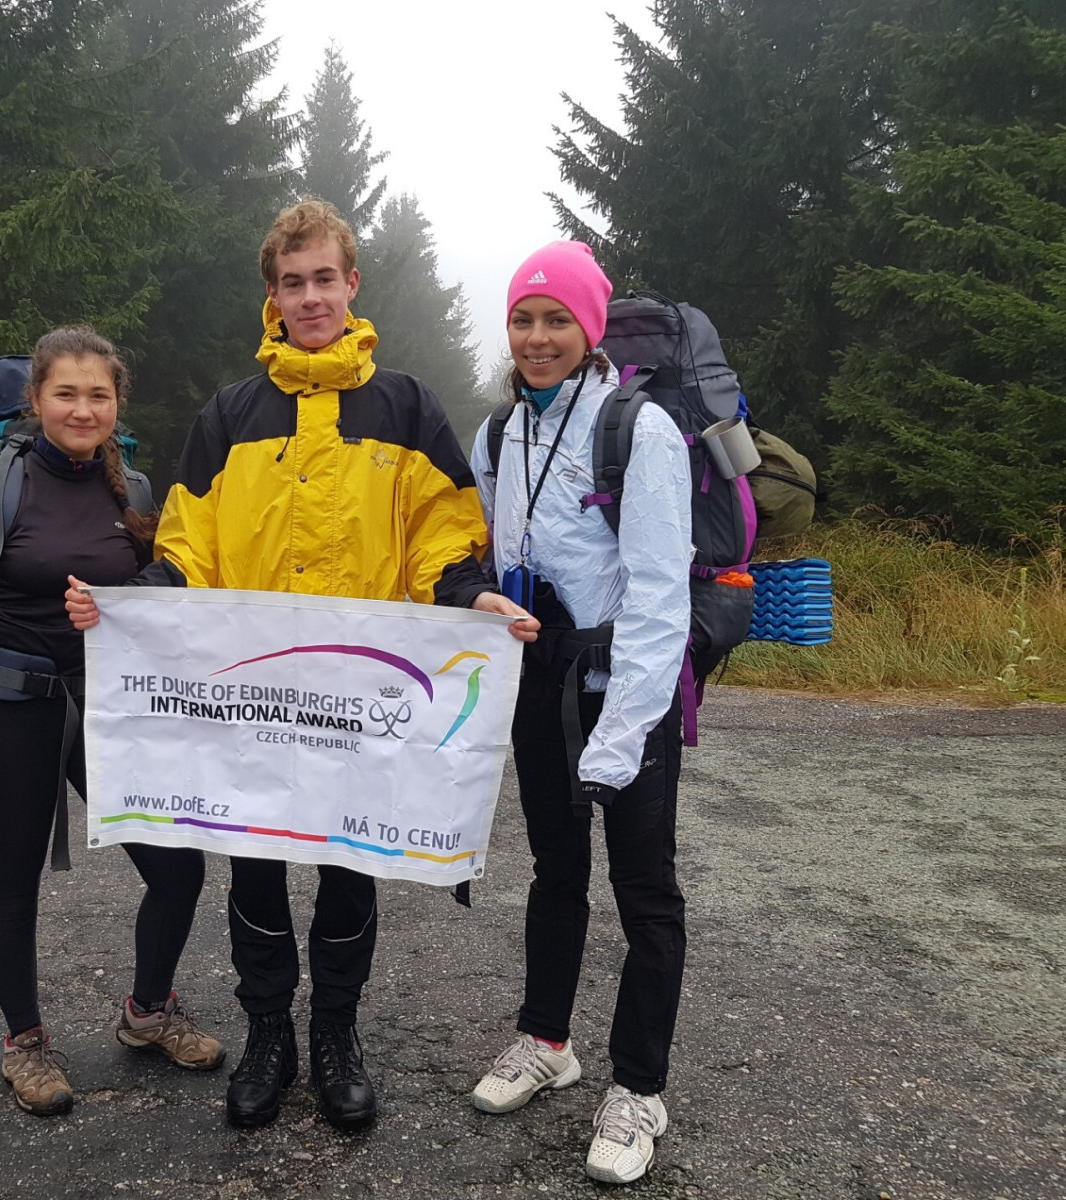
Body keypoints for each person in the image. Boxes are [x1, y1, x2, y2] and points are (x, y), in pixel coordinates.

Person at [66, 198, 538, 1133]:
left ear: (352, 283)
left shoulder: (406, 406)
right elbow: (191, 540)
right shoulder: (230, 414)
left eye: (325, 278)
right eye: (293, 283)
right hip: (256, 693)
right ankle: (268, 1037)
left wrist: (469, 593)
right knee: (255, 870)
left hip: (362, 691)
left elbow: (441, 531)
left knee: (350, 864)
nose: (311, 296)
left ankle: (336, 1036)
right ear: (272, 296)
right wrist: (133, 602)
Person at [0, 326, 224, 1117]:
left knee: (178, 867)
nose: (83, 409)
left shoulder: (137, 494)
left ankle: (148, 1012)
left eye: (99, 394)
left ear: (117, 402)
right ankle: (25, 1045)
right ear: (36, 399)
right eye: (66, 393)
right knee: (13, 883)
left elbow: (167, 598)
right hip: (9, 710)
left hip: (112, 707)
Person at [464, 241, 692, 1184]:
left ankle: (639, 1088)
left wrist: (622, 733)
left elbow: (660, 598)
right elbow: (485, 553)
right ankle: (547, 1043)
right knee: (556, 873)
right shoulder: (497, 433)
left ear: (590, 328)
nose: (537, 337)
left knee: (645, 891)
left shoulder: (639, 430)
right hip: (540, 681)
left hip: (625, 687)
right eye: (523, 319)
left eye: (557, 319)